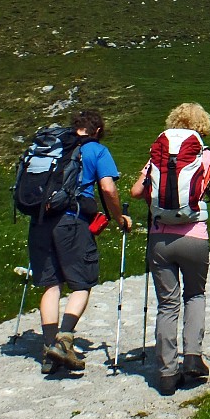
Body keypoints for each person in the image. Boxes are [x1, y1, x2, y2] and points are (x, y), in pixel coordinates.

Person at [131, 102, 210, 396]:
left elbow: (137, 191)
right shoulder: (207, 157)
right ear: (203, 126)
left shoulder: (158, 157)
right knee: (195, 294)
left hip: (159, 239)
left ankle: (166, 374)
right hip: (195, 237)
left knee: (167, 303)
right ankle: (192, 357)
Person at [28, 109, 132, 375]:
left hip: (40, 221)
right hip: (72, 221)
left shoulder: (53, 146)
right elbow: (108, 188)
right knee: (81, 284)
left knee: (51, 285)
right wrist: (119, 218)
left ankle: (49, 348)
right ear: (97, 130)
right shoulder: (97, 150)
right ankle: (64, 340)